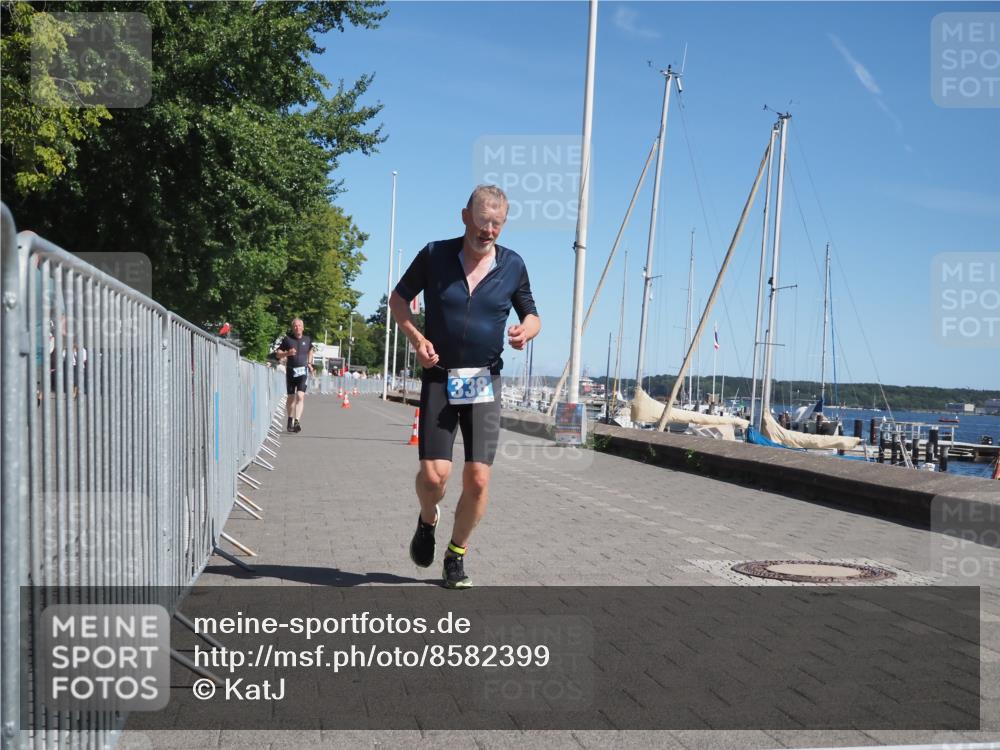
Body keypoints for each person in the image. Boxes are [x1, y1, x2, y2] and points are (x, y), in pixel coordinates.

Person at [389, 185, 540, 589]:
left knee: (477, 479)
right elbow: (398, 301)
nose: (488, 229)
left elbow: (533, 315)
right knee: (434, 477)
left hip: (482, 380)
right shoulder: (435, 255)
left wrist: (527, 330)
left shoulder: (513, 266)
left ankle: (455, 555)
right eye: (481, 220)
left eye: (497, 223)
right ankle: (427, 520)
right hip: (440, 377)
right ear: (464, 216)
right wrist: (417, 340)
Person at [275, 318, 314, 432]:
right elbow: (278, 354)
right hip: (291, 372)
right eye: (295, 326)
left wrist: (310, 363)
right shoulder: (287, 340)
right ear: (293, 328)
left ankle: (297, 421)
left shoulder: (307, 339)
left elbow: (311, 350)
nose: (297, 328)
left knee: (300, 396)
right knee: (291, 398)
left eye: (299, 325)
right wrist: (287, 353)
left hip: (303, 372)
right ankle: (290, 419)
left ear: (303, 327)